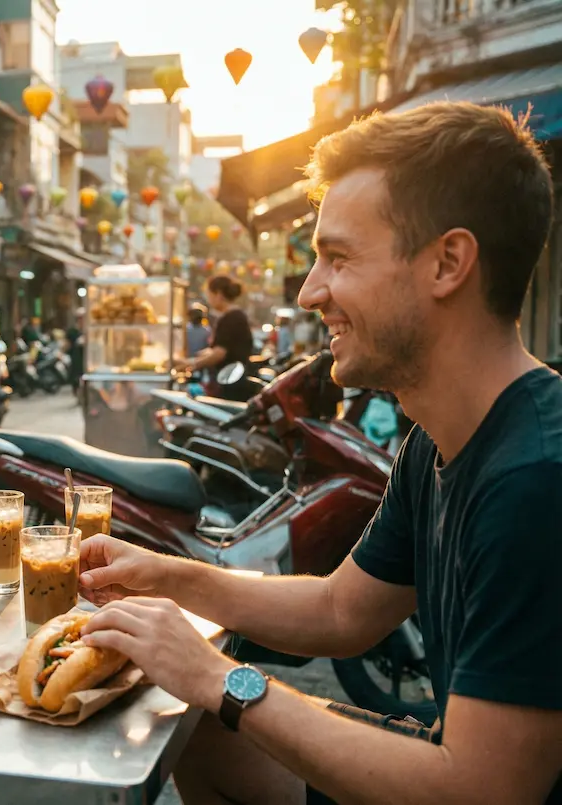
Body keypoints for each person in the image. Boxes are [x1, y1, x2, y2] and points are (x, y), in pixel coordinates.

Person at [77, 102, 562, 804]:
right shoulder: (436, 438)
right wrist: (169, 577)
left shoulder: (536, 481)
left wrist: (219, 677)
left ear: (449, 262)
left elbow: (484, 790)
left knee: (211, 707)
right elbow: (342, 609)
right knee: (203, 731)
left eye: (338, 258)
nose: (310, 292)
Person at [175, 275, 254, 400]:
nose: (208, 299)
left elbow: (219, 353)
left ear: (218, 294)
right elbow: (217, 348)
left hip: (230, 384)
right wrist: (191, 359)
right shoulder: (233, 316)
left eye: (209, 294)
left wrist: (192, 364)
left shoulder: (231, 318)